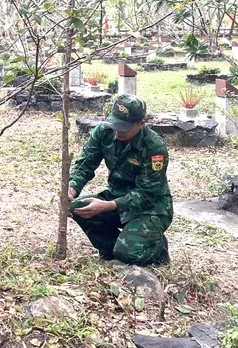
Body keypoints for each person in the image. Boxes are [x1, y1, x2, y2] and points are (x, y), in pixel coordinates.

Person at [69, 94, 172, 266]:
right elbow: (85, 164)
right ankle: (112, 249)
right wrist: (71, 188)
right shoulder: (103, 132)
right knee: (77, 207)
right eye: (115, 124)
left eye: (124, 127)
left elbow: (147, 194)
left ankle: (158, 247)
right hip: (116, 196)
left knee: (129, 255)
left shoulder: (154, 147)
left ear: (141, 124)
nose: (117, 131)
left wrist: (107, 205)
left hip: (150, 208)